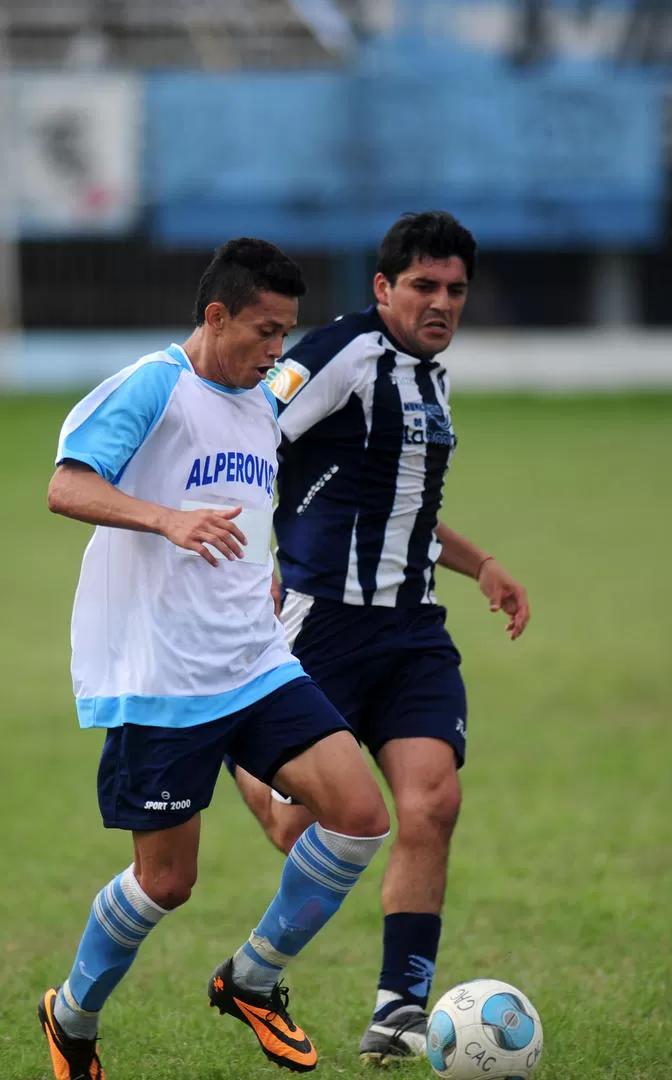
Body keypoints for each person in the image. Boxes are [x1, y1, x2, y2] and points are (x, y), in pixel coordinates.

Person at [39, 238, 390, 1080]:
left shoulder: (262, 406)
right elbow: (66, 486)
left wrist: (259, 568)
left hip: (255, 664)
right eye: (265, 332)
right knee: (165, 883)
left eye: (287, 333)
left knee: (359, 814)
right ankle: (73, 1015)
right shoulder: (155, 385)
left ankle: (254, 981)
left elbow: (244, 505)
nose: (277, 351)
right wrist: (167, 519)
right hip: (160, 678)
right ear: (215, 315)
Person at [229, 211, 530, 1064]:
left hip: (413, 632)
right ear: (383, 288)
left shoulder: (431, 379)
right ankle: (238, 747)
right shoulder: (337, 354)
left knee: (432, 802)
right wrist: (258, 560)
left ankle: (400, 1010)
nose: (441, 303)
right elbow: (247, 437)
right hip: (320, 624)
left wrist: (483, 566)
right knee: (301, 832)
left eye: (455, 290)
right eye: (424, 287)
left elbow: (408, 513)